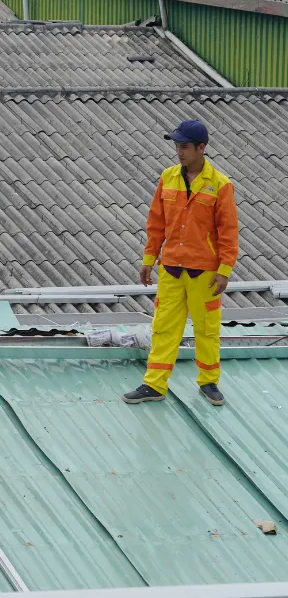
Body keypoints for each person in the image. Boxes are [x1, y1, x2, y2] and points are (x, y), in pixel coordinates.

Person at [123, 120, 238, 407]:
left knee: (207, 329)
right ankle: (154, 385)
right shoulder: (168, 177)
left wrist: (224, 270)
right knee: (163, 328)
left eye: (184, 146)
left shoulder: (221, 185)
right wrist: (148, 259)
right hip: (172, 268)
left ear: (202, 148)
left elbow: (228, 232)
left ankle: (209, 382)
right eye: (176, 145)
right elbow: (156, 223)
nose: (179, 151)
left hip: (205, 273)